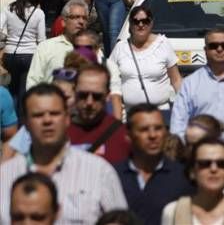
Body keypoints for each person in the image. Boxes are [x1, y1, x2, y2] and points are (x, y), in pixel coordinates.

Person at [0, 84, 128, 224]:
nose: (47, 120)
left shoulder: (99, 172)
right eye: (38, 115)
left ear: (67, 118)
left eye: (54, 114)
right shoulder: (5, 175)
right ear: (26, 123)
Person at [114, 104, 193, 224]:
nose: (153, 135)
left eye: (158, 128)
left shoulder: (183, 177)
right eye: (144, 129)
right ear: (128, 135)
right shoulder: (113, 175)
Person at [161, 136, 224, 224]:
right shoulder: (172, 212)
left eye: (221, 164)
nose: (213, 169)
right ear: (192, 171)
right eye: (205, 164)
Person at [108, 6, 182, 120]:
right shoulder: (120, 47)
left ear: (151, 23)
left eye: (145, 21)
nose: (141, 25)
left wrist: (183, 106)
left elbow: (176, 80)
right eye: (136, 21)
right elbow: (109, 79)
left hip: (160, 114)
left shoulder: (163, 44)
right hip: (128, 116)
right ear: (130, 25)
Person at [68, 64, 130, 163]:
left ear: (107, 95)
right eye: (83, 95)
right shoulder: (60, 133)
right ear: (74, 92)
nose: (89, 102)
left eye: (97, 96)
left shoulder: (122, 135)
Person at [1, 0, 46, 108]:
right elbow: (41, 39)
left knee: (11, 89)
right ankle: (21, 121)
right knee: (24, 90)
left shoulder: (9, 9)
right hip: (30, 55)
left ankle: (9, 118)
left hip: (10, 54)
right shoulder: (39, 13)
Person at [26, 0, 89, 88]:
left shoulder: (93, 50)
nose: (81, 21)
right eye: (75, 17)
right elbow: (33, 81)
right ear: (63, 22)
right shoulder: (46, 47)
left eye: (85, 18)